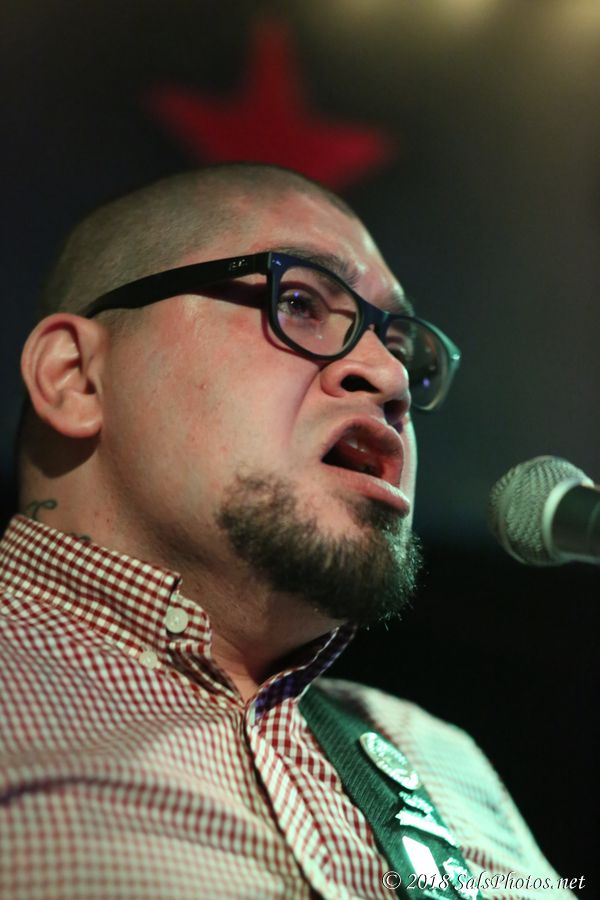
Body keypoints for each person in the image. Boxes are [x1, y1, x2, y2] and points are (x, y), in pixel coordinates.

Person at [0, 164, 571, 899]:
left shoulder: (443, 762)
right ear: (75, 377)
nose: (390, 377)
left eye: (401, 348)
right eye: (299, 302)